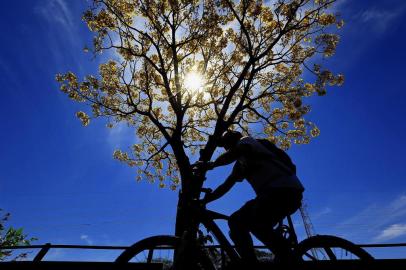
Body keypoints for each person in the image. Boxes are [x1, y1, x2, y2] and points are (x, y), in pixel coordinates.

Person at [203, 130, 304, 265]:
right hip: (275, 194)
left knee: (256, 223)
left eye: (227, 144)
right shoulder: (241, 163)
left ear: (233, 140)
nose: (226, 148)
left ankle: (290, 259)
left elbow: (235, 153)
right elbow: (227, 185)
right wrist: (205, 200)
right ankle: (251, 262)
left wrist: (211, 164)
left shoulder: (247, 141)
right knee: (236, 221)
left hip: (282, 190)